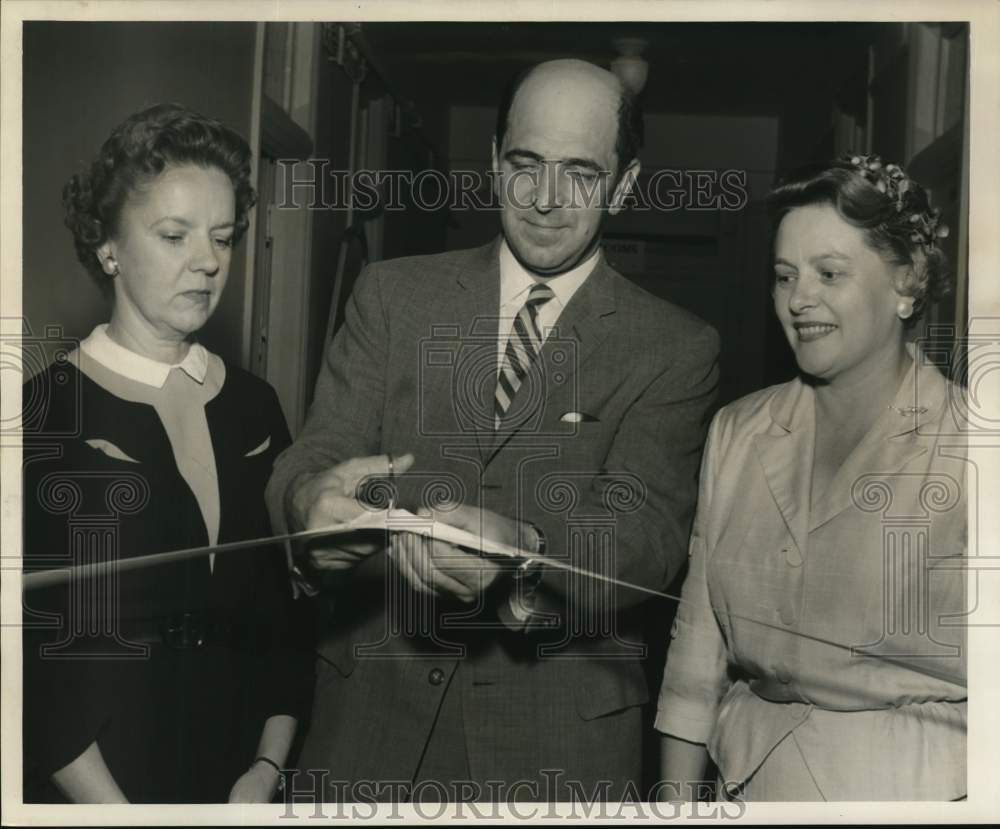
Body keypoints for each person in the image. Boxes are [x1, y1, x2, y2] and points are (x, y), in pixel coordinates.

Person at [265, 58, 720, 802]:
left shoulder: (675, 346)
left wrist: (527, 549)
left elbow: (643, 541)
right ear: (491, 163)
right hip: (367, 734)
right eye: (525, 164)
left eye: (579, 171)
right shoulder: (392, 296)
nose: (544, 198)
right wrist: (306, 503)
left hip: (557, 750)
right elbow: (313, 457)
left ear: (625, 184)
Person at [22, 104, 312, 803]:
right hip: (98, 791)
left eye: (223, 236)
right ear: (108, 247)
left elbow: (284, 615)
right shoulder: (41, 416)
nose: (209, 261)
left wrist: (265, 770)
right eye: (175, 235)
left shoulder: (255, 406)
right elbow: (29, 662)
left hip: (239, 779)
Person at [657, 154, 967, 801]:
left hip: (918, 794)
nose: (799, 299)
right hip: (750, 784)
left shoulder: (974, 445)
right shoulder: (738, 432)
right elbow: (695, 656)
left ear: (907, 281)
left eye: (829, 273)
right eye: (783, 276)